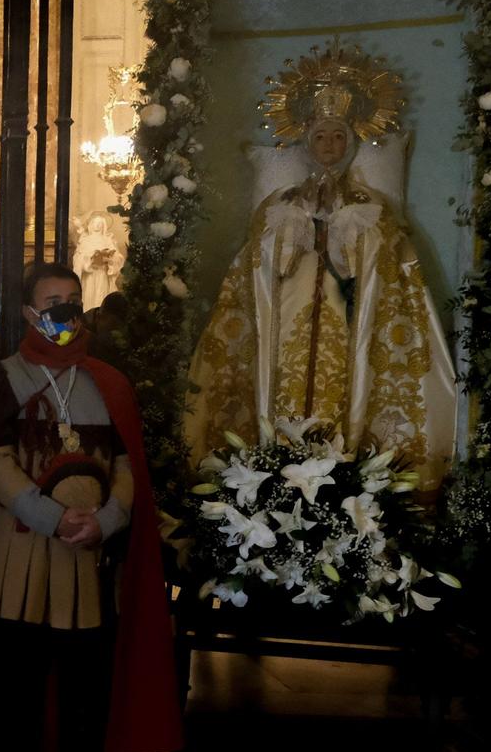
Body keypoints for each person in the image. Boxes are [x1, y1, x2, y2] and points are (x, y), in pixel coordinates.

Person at [187, 47, 457, 484]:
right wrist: (292, 232)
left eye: (337, 137)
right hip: (288, 314)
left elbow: (384, 262)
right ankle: (276, 469)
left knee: (341, 389)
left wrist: (348, 238)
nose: (329, 146)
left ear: (350, 142)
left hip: (345, 317)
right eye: (320, 137)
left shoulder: (371, 204)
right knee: (284, 388)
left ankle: (344, 472)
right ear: (305, 143)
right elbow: (256, 262)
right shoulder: (281, 202)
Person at [0, 263, 179, 752]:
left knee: (88, 681)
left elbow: (127, 466)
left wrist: (105, 520)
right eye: (52, 302)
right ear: (28, 313)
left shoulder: (109, 382)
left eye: (73, 300)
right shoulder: (0, 379)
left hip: (87, 561)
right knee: (19, 679)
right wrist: (49, 517)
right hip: (21, 553)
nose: (65, 312)